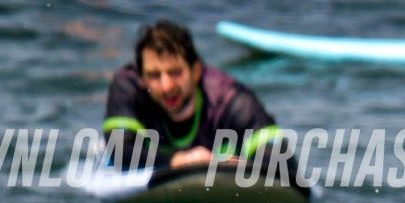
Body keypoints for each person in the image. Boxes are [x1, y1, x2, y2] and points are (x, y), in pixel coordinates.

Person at [103, 20, 293, 180]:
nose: (166, 86)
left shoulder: (231, 100)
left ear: (196, 71)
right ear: (142, 78)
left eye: (175, 72)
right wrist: (179, 160)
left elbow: (284, 165)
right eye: (154, 75)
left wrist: (244, 167)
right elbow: (119, 151)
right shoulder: (128, 87)